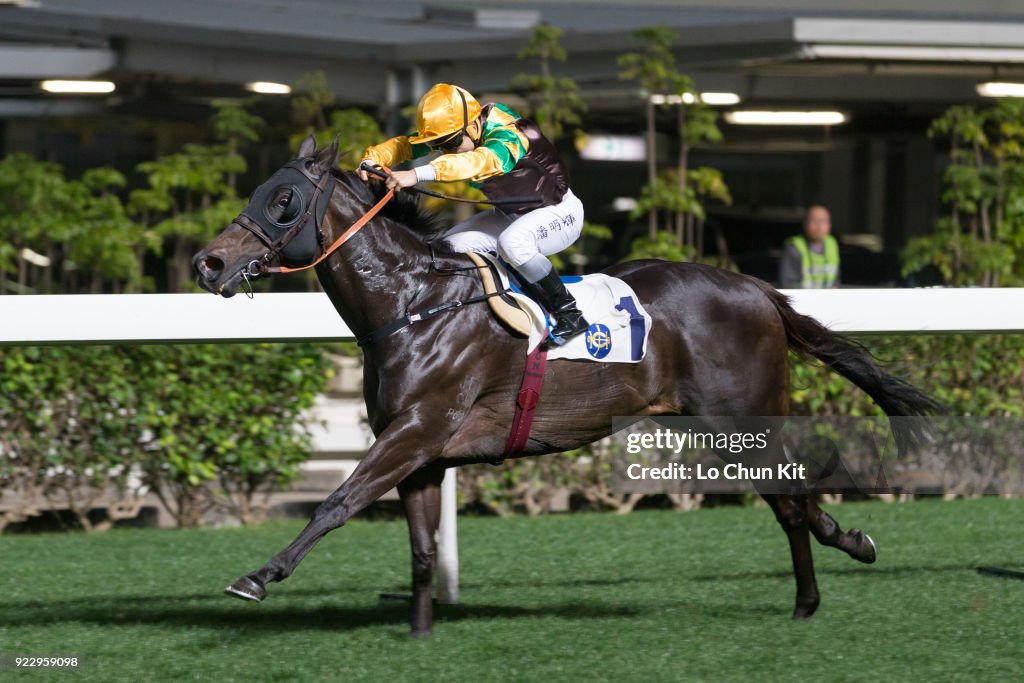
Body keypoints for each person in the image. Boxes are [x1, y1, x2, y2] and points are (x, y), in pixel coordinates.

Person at [358, 83, 589, 343]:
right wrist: (373, 158)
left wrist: (416, 174)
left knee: (513, 243)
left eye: (452, 142)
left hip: (558, 213)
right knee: (447, 248)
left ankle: (570, 312)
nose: (447, 149)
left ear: (473, 125)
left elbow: (480, 161)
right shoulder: (461, 129)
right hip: (510, 215)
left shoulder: (510, 135)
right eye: (438, 145)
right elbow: (406, 146)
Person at [779, 204, 840, 289]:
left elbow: (835, 280)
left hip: (828, 300)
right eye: (814, 221)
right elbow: (787, 284)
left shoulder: (832, 244)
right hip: (803, 300)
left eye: (823, 221)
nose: (819, 226)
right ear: (805, 224)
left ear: (829, 224)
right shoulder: (794, 247)